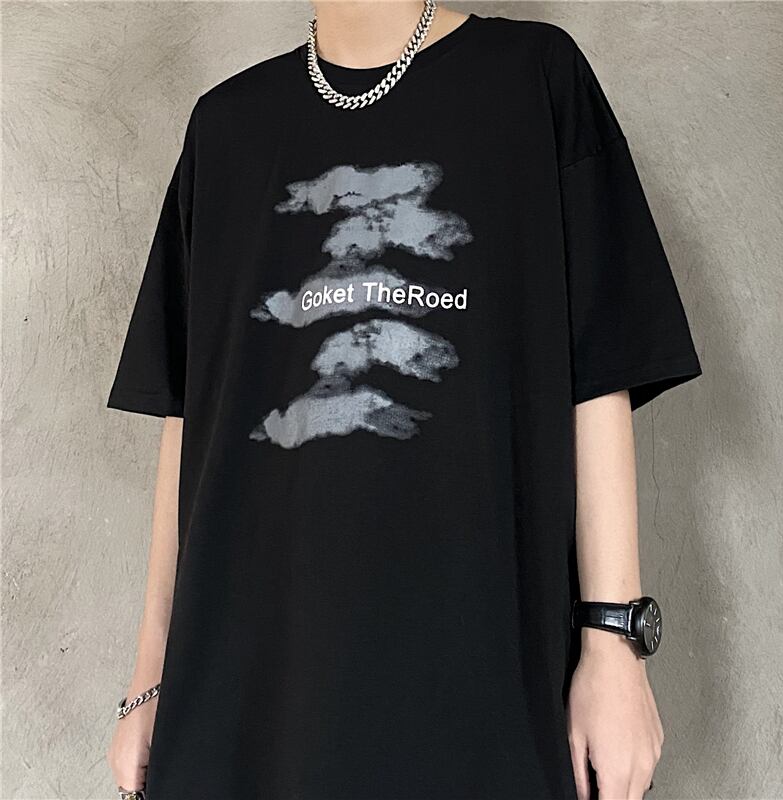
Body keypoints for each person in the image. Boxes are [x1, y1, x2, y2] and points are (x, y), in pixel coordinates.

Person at [105, 3, 702, 799]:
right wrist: (150, 679)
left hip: (481, 683)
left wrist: (613, 642)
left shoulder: (533, 79)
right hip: (247, 697)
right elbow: (190, 423)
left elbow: (599, 372)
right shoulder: (225, 128)